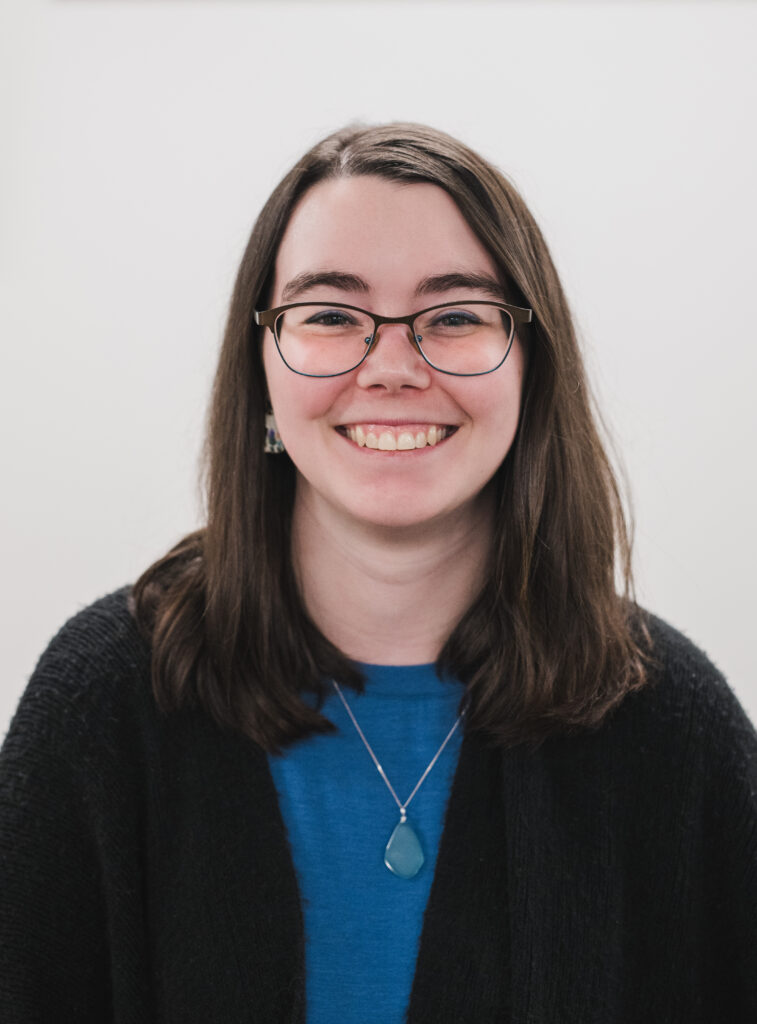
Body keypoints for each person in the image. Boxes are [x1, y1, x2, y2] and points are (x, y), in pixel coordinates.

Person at [1, 123, 755, 1024]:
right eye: (329, 316)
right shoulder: (103, 701)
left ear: (530, 367)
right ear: (262, 368)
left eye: (456, 316)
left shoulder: (669, 724)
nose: (392, 368)